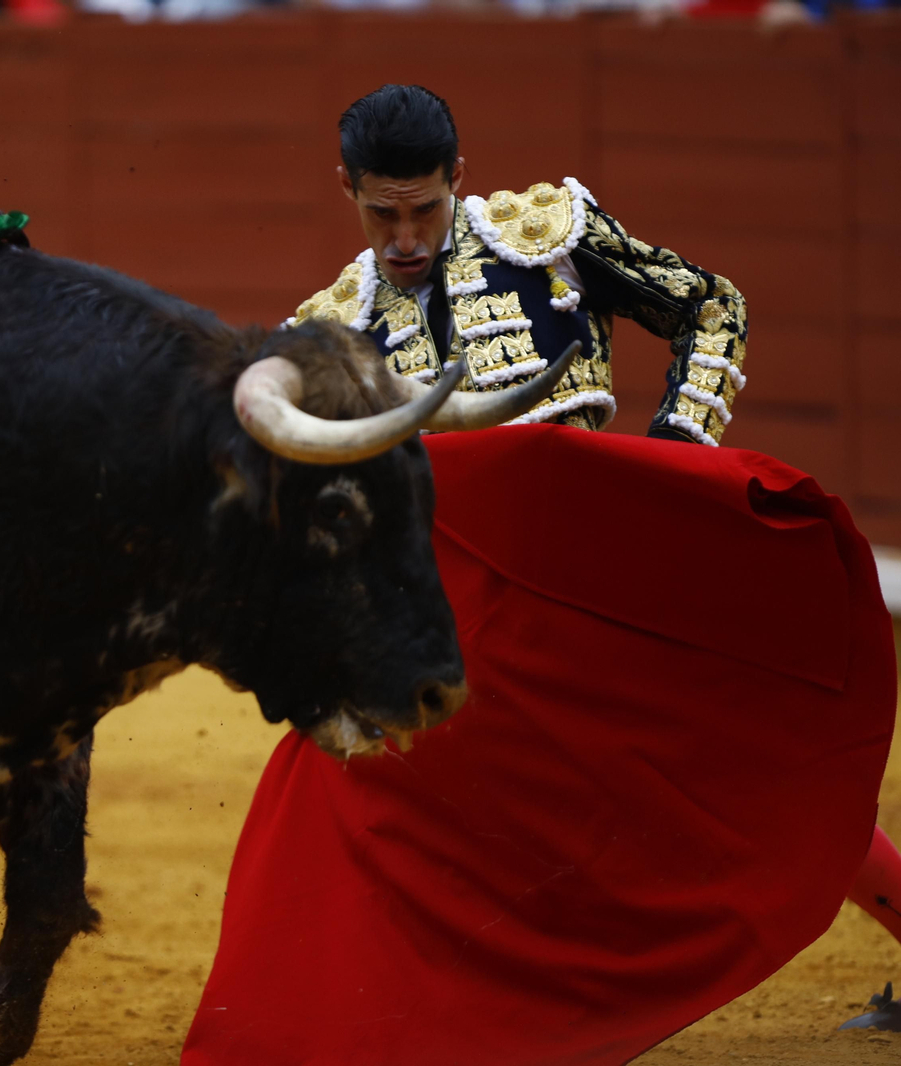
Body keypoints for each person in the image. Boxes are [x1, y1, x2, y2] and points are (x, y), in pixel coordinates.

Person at [181, 85, 901, 1065]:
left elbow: (710, 304)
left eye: (424, 209)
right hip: (464, 625)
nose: (404, 235)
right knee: (356, 794)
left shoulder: (544, 238)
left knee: (714, 772)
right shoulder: (331, 327)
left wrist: (678, 456)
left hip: (600, 587)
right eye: (381, 212)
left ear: (457, 182)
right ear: (345, 190)